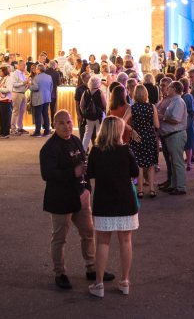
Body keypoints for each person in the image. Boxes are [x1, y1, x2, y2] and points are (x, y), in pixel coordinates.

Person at [39, 110, 114, 291]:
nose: (67, 126)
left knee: (88, 233)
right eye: (62, 123)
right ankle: (60, 273)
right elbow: (47, 174)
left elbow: (85, 166)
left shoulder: (76, 141)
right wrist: (72, 173)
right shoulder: (49, 148)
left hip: (81, 197)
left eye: (69, 122)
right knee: (59, 238)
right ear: (55, 126)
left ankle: (91, 268)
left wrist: (87, 189)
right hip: (60, 199)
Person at [86, 116, 139, 298]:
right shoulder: (126, 151)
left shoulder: (96, 151)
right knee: (126, 241)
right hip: (125, 200)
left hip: (104, 200)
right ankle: (125, 281)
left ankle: (99, 283)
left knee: (102, 241)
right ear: (118, 131)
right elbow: (135, 172)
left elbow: (90, 173)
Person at [157, 81, 188, 195]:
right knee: (173, 161)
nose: (167, 89)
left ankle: (180, 187)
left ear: (174, 89)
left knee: (177, 162)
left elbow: (176, 120)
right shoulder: (174, 101)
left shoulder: (178, 101)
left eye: (169, 87)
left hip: (176, 135)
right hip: (171, 135)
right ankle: (174, 185)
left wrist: (162, 118)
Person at [128, 84, 159, 198]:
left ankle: (140, 190)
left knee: (139, 164)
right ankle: (151, 189)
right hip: (149, 137)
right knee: (151, 164)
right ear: (146, 94)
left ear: (135, 94)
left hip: (137, 138)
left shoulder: (132, 108)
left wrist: (132, 130)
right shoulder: (152, 107)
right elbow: (157, 125)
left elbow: (122, 121)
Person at [79, 76, 106, 151]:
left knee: (87, 134)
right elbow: (105, 104)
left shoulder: (86, 92)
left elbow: (81, 105)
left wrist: (84, 113)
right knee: (99, 133)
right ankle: (99, 150)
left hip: (88, 116)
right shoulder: (100, 92)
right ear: (98, 83)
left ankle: (83, 151)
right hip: (99, 116)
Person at [179, 77, 194, 171]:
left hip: (180, 124)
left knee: (181, 143)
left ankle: (181, 162)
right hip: (189, 123)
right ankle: (189, 163)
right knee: (189, 143)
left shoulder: (179, 97)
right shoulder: (189, 97)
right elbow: (193, 112)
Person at [31, 64, 54, 137]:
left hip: (38, 98)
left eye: (36, 69)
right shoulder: (49, 77)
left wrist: (29, 85)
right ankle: (46, 131)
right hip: (47, 98)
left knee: (38, 115)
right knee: (45, 115)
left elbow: (35, 88)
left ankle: (37, 132)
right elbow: (51, 87)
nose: (36, 70)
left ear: (39, 69)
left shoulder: (36, 78)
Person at [10, 60, 29, 135]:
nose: (24, 67)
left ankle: (20, 127)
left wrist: (26, 85)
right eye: (23, 65)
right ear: (18, 65)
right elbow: (14, 84)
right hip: (17, 93)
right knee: (16, 112)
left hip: (22, 93)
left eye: (25, 65)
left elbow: (22, 84)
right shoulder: (15, 73)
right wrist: (23, 83)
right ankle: (13, 129)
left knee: (21, 112)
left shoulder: (23, 73)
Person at [0, 66, 12, 139]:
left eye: (0, 71)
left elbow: (9, 89)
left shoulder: (9, 79)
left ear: (4, 71)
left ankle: (6, 133)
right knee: (1, 117)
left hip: (5, 100)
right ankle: (2, 132)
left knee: (5, 117)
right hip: (0, 99)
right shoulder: (1, 79)